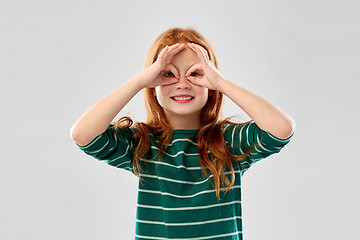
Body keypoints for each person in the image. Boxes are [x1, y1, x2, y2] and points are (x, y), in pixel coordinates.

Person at [70, 27, 295, 240]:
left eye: (195, 73)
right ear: (153, 82)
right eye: (168, 74)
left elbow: (282, 128)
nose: (182, 84)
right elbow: (83, 134)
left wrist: (220, 82)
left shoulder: (227, 142)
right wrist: (139, 81)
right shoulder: (143, 144)